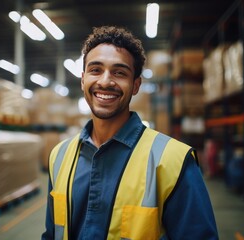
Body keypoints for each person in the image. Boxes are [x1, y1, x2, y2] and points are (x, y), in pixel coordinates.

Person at [42, 26, 218, 240]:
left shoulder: (173, 161)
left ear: (135, 85)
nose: (105, 81)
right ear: (82, 80)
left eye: (119, 72)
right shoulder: (59, 156)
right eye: (95, 70)